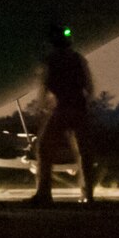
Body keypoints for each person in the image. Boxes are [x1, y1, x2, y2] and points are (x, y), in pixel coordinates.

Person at [31, 27, 95, 204]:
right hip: (79, 108)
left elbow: (44, 86)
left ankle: (43, 193)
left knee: (44, 149)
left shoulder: (50, 61)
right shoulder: (78, 59)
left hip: (60, 109)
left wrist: (41, 107)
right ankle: (87, 194)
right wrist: (87, 106)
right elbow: (89, 86)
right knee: (83, 153)